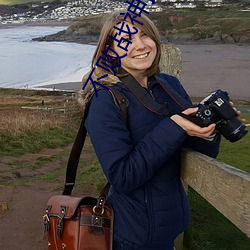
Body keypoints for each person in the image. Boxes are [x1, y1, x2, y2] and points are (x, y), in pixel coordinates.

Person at [78, 10, 240, 250]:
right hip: (133, 236)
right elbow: (122, 176)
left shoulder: (168, 85)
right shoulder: (105, 100)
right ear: (110, 52)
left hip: (171, 227)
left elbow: (198, 153)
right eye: (125, 41)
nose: (139, 46)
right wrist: (174, 126)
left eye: (145, 35)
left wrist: (212, 126)